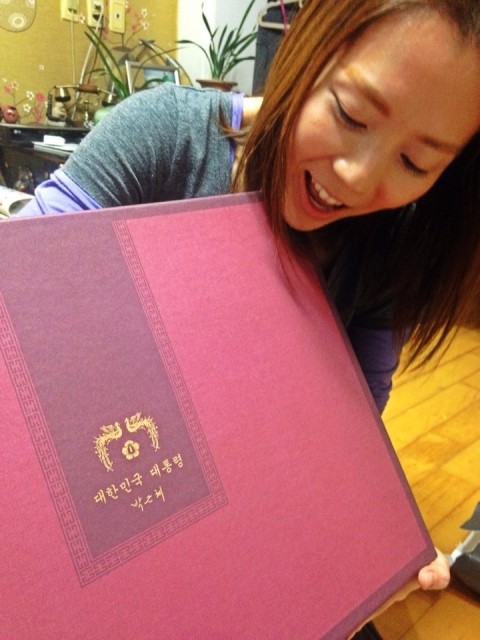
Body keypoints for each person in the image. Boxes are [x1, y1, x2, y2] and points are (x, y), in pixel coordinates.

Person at [18, 0, 480, 636]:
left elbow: (347, 435)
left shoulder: (389, 243)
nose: (357, 176)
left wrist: (371, 546)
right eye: (350, 115)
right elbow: (22, 305)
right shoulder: (166, 139)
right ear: (307, 47)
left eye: (415, 163)